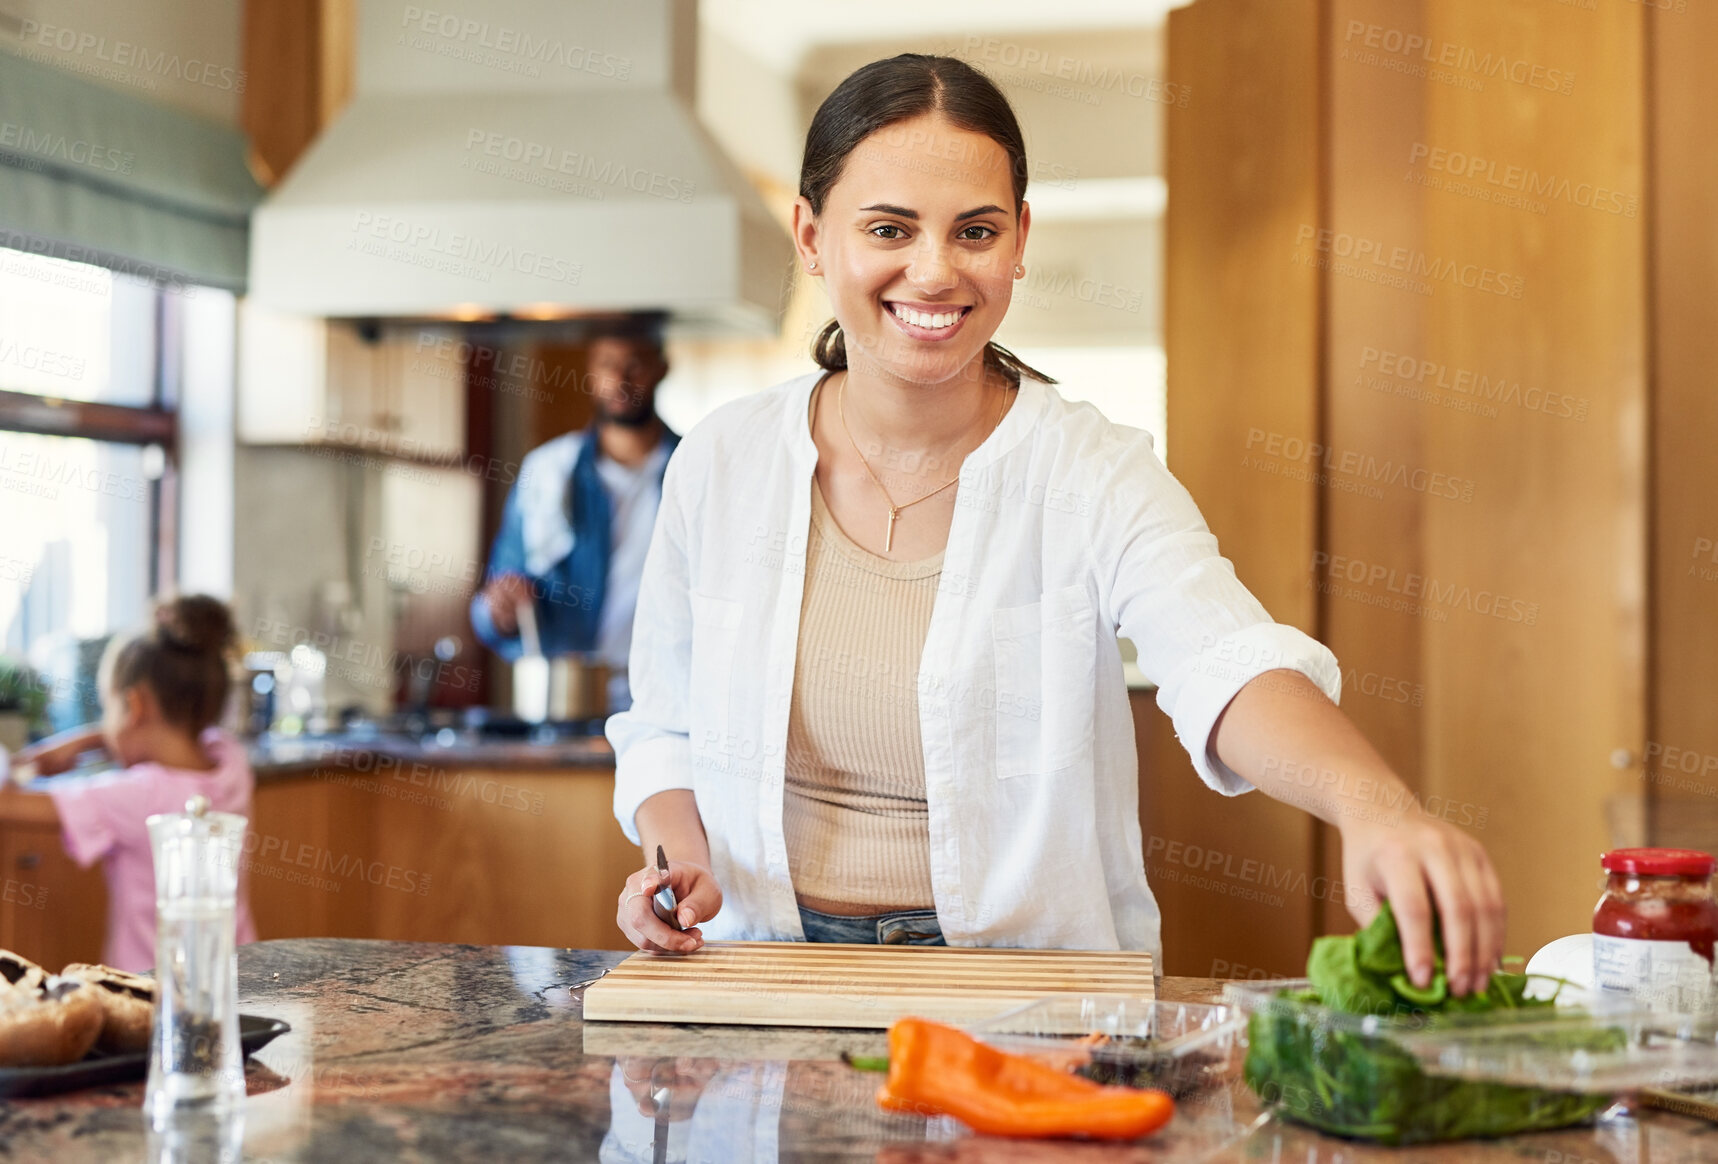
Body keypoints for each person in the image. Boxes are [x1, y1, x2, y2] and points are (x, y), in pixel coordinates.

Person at [608, 54, 1504, 997]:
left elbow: (1221, 659)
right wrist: (677, 868)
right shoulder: (721, 460)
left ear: (1019, 239)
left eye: (976, 231)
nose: (935, 270)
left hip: (1027, 991)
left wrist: (1376, 806)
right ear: (810, 235)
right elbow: (664, 726)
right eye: (889, 228)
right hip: (768, 973)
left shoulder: (1093, 468)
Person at [0, 595, 256, 973]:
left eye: (108, 709)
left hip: (153, 992)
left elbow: (7, 804)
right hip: (238, 974)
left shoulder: (136, 795)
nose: (105, 725)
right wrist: (91, 740)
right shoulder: (231, 763)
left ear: (135, 706)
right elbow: (171, 739)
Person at [471, 317, 680, 713]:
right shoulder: (549, 471)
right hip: (568, 705)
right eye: (606, 363)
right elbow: (497, 595)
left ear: (661, 369)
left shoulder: (694, 469)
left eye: (634, 363)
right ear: (590, 370)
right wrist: (499, 610)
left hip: (668, 706)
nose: (619, 378)